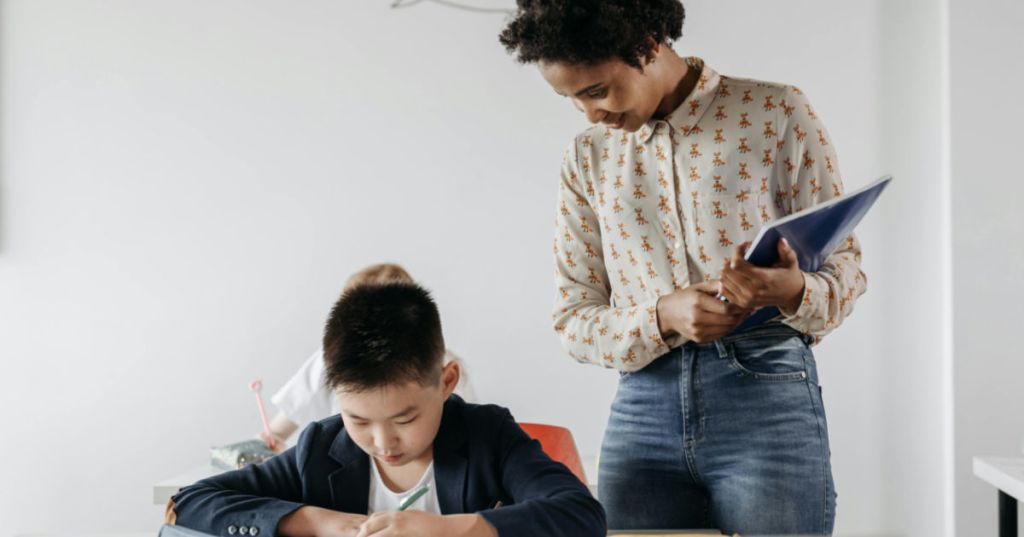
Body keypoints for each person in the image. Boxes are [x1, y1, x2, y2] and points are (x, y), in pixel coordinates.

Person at [499, 1, 866, 534]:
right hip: (642, 405)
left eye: (596, 91)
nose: (589, 114)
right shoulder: (587, 157)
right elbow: (573, 319)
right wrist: (662, 316)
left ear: (647, 44)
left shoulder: (774, 112)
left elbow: (848, 271)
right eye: (571, 100)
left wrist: (791, 291)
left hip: (767, 396)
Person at [172, 282, 606, 537]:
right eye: (358, 420)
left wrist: (449, 529)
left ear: (447, 381)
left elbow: (581, 514)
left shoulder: (486, 435)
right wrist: (319, 522)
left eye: (405, 419)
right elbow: (191, 501)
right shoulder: (323, 447)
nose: (382, 443)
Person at [261, 263, 477, 451]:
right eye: (360, 421)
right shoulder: (328, 362)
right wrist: (269, 442)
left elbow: (468, 436)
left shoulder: (437, 368)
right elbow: (279, 429)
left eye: (405, 419)